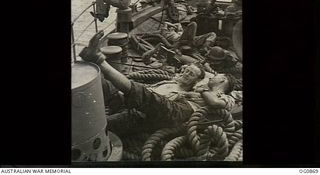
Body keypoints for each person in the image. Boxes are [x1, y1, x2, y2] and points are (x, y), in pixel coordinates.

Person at [79, 30, 237, 127]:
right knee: (103, 84)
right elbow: (194, 72)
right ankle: (89, 60)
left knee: (105, 122)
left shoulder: (225, 97)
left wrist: (199, 90)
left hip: (181, 111)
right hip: (167, 105)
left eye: (218, 76)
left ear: (223, 81)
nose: (214, 75)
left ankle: (99, 59)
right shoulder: (205, 85)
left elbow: (215, 102)